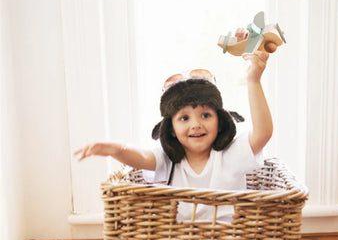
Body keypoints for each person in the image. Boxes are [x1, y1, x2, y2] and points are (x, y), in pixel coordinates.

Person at [74, 40, 274, 222]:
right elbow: (142, 157)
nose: (196, 125)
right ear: (170, 129)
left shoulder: (230, 154)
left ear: (220, 122)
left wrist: (253, 80)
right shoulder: (169, 157)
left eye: (205, 115)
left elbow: (262, 133)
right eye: (184, 118)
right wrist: (117, 150)